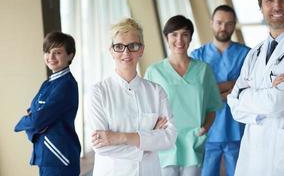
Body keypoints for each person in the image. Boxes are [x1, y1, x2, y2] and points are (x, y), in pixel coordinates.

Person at [86, 18, 176, 176]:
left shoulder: (156, 91)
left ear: (141, 50)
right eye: (119, 46)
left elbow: (169, 137)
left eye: (133, 46)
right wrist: (148, 142)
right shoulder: (98, 92)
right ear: (111, 51)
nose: (126, 52)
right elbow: (101, 145)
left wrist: (118, 137)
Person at [145, 15, 223, 176]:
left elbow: (212, 106)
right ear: (166, 37)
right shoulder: (154, 71)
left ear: (190, 38)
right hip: (165, 141)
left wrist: (205, 128)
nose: (179, 39)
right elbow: (145, 108)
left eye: (185, 34)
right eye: (174, 34)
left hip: (193, 141)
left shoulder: (203, 70)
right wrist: (153, 129)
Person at [227, 0, 284, 175]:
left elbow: (276, 102)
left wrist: (248, 95)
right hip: (253, 156)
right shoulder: (255, 53)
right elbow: (233, 104)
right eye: (269, 0)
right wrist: (267, 92)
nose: (277, 6)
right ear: (261, 7)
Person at [190, 5, 250, 176]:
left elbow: (248, 88)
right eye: (219, 22)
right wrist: (233, 84)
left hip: (236, 126)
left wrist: (212, 91)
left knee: (238, 172)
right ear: (211, 23)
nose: (223, 27)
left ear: (234, 25)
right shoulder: (198, 55)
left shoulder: (247, 54)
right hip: (208, 127)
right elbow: (198, 91)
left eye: (229, 23)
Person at [14, 31, 81, 176]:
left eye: (57, 52)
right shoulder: (48, 83)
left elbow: (37, 120)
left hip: (59, 157)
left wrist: (22, 123)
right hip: (47, 155)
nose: (51, 57)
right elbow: (33, 113)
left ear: (70, 55)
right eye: (47, 52)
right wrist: (35, 121)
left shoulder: (66, 85)